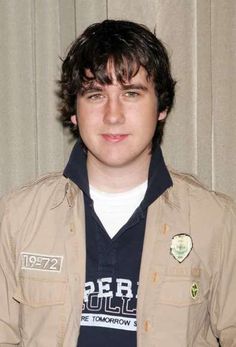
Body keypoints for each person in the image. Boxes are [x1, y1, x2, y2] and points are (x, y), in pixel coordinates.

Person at [0, 19, 235, 347]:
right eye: (96, 95)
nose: (113, 115)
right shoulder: (17, 217)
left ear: (161, 107)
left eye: (131, 93)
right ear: (74, 112)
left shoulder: (218, 221)